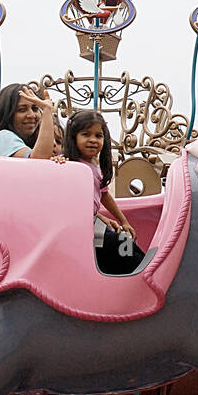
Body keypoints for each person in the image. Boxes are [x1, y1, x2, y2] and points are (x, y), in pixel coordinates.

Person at [56, 109, 144, 275]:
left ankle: (141, 270)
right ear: (73, 137)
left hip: (92, 222)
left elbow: (104, 195)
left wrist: (123, 221)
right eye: (85, 134)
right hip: (77, 228)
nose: (93, 140)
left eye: (98, 135)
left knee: (125, 240)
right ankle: (139, 272)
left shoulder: (96, 168)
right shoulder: (67, 164)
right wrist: (58, 162)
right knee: (117, 244)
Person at [0, 83, 58, 159]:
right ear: (6, 113)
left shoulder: (34, 139)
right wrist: (47, 110)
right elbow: (38, 160)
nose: (32, 115)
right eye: (22, 110)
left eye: (35, 109)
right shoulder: (3, 136)